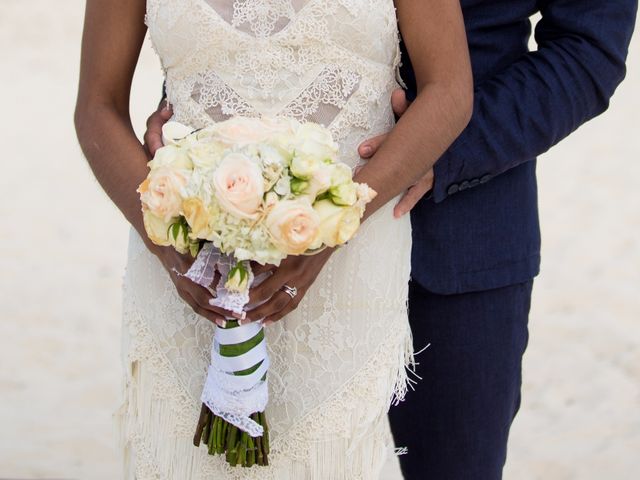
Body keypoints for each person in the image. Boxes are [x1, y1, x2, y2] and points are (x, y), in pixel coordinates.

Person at [143, 1, 639, 479]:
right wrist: (195, 102)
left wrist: (437, 150)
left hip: (458, 239)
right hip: (249, 221)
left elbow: (589, 48)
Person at [74, 0, 472, 478]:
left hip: (349, 256)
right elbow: (97, 106)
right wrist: (169, 247)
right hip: (184, 256)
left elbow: (449, 88)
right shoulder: (175, 253)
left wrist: (333, 228)